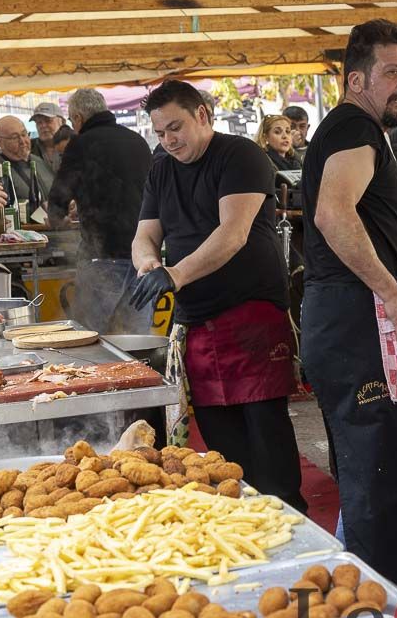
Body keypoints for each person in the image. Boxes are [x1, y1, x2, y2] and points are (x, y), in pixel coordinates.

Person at [129, 80, 306, 512]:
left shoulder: (241, 155)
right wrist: (150, 266)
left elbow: (233, 234)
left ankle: (289, 516)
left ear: (203, 115)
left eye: (176, 128)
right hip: (196, 319)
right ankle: (238, 516)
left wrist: (175, 274)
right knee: (219, 439)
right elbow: (144, 235)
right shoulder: (160, 169)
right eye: (160, 132)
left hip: (252, 312)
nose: (169, 140)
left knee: (266, 432)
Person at [300, 19, 397, 585]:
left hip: (344, 312)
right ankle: (371, 603)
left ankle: (358, 584)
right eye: (392, 72)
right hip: (354, 315)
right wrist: (393, 293)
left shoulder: (354, 127)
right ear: (356, 79)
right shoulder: (354, 128)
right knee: (372, 458)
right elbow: (334, 213)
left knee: (367, 456)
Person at [45, 88, 154, 334]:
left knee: (88, 338)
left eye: (72, 121)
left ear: (79, 118)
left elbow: (59, 195)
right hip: (143, 257)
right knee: (135, 340)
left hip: (103, 256)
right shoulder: (137, 141)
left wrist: (57, 217)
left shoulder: (81, 144)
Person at [0, 115, 57, 202]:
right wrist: (39, 212)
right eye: (14, 137)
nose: (23, 141)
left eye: (24, 134)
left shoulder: (38, 161)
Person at [30, 101, 69, 174]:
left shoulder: (74, 144)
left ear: (62, 122)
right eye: (39, 122)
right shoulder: (29, 148)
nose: (43, 126)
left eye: (48, 121)